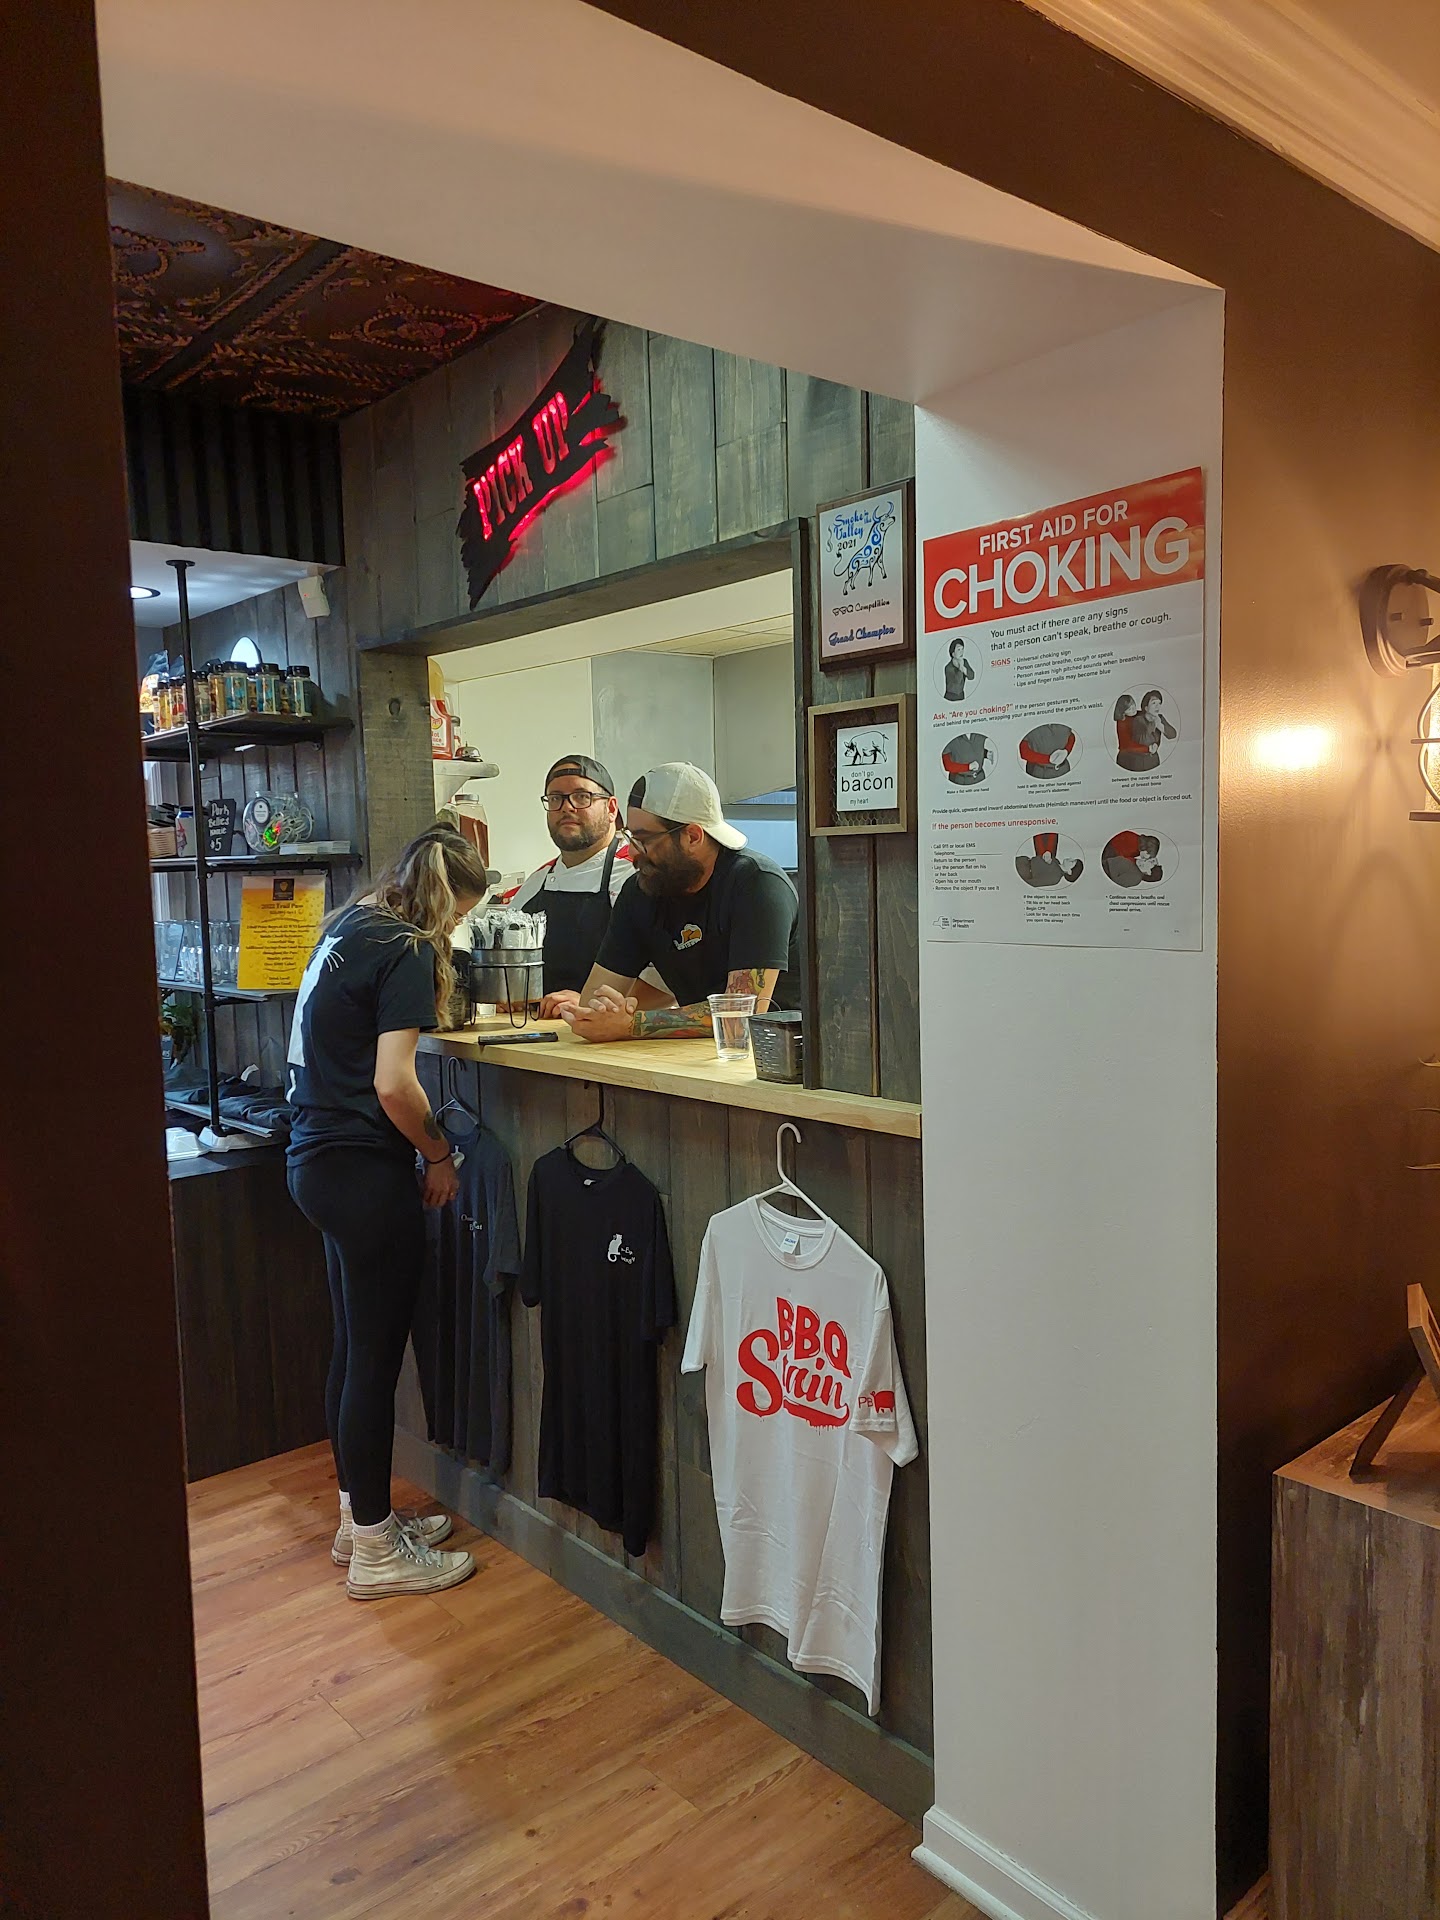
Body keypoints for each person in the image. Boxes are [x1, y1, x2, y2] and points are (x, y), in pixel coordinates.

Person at [286, 828, 486, 1600]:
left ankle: (358, 1520)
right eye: (460, 917)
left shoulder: (349, 923)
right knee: (372, 1361)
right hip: (362, 1171)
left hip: (314, 1160)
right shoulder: (405, 947)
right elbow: (395, 1084)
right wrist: (439, 1155)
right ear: (444, 902)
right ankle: (375, 1551)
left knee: (352, 1349)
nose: (457, 931)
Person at [561, 762, 799, 1042]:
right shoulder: (641, 892)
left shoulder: (757, 884)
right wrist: (605, 1013)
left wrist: (632, 1024)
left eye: (644, 839)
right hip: (692, 1054)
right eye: (631, 837)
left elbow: (742, 1014)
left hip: (778, 1055)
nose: (632, 853)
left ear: (693, 836)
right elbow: (591, 1004)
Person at [503, 754, 655, 1019]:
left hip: (618, 1034)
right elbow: (506, 962)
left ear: (611, 808)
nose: (567, 807)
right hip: (542, 1032)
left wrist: (588, 1002)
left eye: (582, 796)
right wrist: (507, 993)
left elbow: (666, 979)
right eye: (555, 798)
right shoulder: (535, 884)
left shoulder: (635, 876)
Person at [944, 637, 976, 703]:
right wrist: (960, 667)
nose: (961, 652)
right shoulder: (948, 668)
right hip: (950, 698)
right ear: (953, 653)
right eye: (958, 649)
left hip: (961, 696)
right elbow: (957, 681)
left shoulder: (964, 662)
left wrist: (964, 669)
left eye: (962, 649)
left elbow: (972, 676)